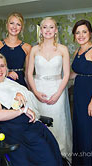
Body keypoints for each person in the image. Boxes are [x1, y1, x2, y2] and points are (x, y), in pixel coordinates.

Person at [0, 52, 63, 166]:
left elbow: (22, 97)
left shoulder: (9, 82)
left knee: (51, 145)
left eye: (2, 66)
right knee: (45, 156)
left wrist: (18, 93)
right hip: (11, 128)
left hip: (28, 124)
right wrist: (23, 110)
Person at [27, 17, 72, 162]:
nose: (48, 30)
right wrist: (35, 92)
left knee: (58, 122)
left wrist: (58, 93)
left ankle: (60, 155)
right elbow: (29, 74)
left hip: (57, 88)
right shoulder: (34, 49)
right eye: (44, 27)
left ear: (56, 30)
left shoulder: (63, 49)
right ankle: (42, 154)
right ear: (41, 30)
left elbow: (66, 75)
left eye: (51, 27)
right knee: (39, 121)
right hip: (39, 88)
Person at [70, 19, 92, 165]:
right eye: (77, 32)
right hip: (79, 95)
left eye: (84, 32)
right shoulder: (77, 51)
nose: (81, 35)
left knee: (89, 131)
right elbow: (75, 74)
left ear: (90, 33)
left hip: (91, 95)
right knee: (80, 130)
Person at [0, 12, 31, 87]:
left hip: (20, 84)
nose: (14, 27)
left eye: (18, 24)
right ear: (7, 25)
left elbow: (28, 74)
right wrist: (7, 73)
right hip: (0, 83)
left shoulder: (27, 47)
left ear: (21, 28)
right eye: (12, 23)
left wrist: (30, 90)